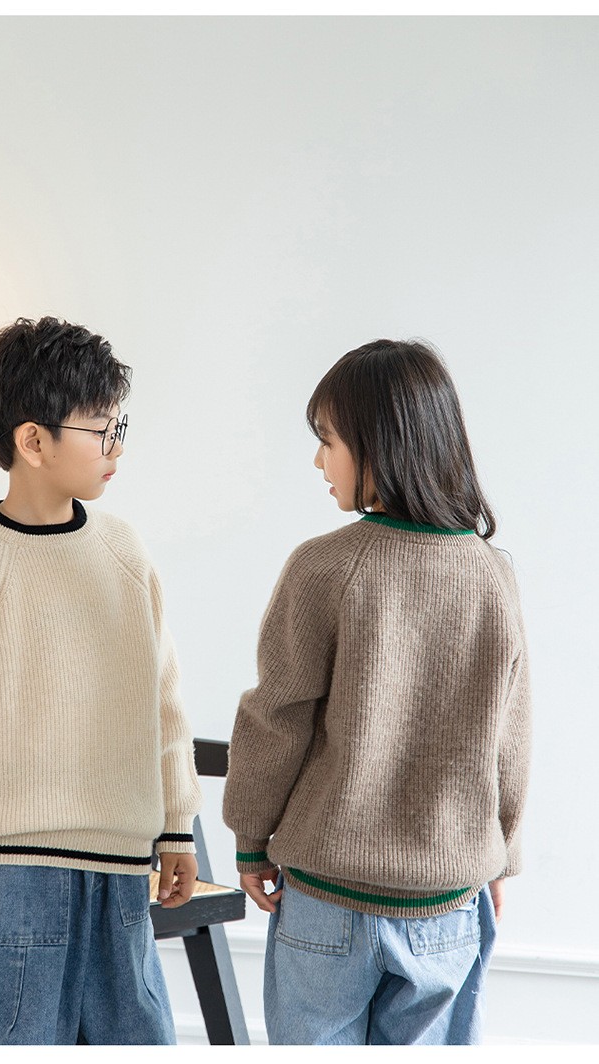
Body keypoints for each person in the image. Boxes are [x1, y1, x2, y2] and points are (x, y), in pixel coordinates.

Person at [0, 316, 202, 1045]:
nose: (117, 447)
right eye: (102, 431)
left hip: (122, 874)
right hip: (4, 876)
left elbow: (163, 701)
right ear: (33, 442)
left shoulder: (125, 551)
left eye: (119, 426)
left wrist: (178, 826)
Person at [223, 339, 530, 1046]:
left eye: (328, 441)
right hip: (446, 905)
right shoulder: (492, 575)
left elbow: (276, 718)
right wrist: (501, 854)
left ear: (380, 445)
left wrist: (249, 839)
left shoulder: (324, 568)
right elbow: (510, 734)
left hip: (327, 900)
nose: (318, 461)